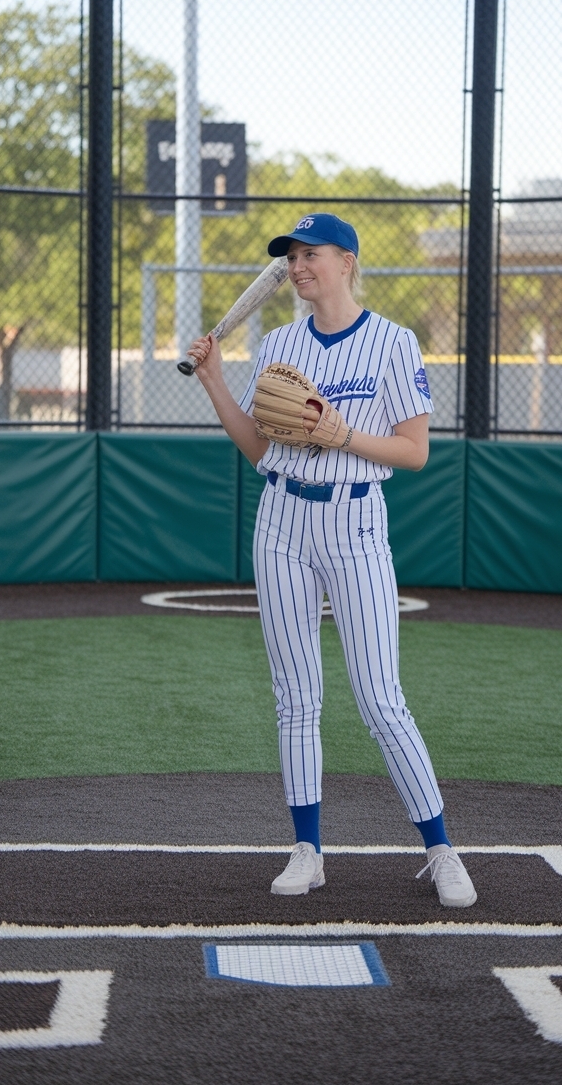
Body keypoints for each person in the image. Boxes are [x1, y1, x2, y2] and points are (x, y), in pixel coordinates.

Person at [187, 212, 476, 908]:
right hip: (281, 520)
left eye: (309, 253)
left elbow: (413, 452)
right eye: (290, 256)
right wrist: (216, 383)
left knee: (381, 698)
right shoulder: (280, 343)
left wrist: (344, 434)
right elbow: (264, 450)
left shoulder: (391, 343)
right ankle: (307, 850)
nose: (296, 265)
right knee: (297, 698)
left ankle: (440, 849)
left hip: (355, 522)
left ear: (346, 260)